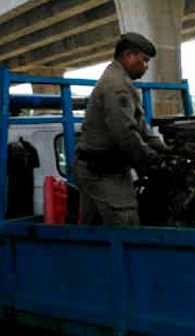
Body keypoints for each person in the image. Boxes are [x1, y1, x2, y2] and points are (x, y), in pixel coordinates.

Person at [73, 32, 166, 227]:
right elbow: (124, 132)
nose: (146, 66)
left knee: (93, 232)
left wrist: (162, 148)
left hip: (102, 169)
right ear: (129, 56)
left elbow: (140, 126)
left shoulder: (121, 80)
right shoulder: (116, 84)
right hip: (102, 172)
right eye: (144, 60)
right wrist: (149, 161)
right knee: (126, 223)